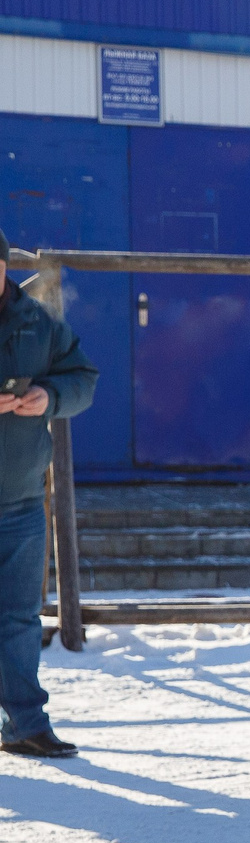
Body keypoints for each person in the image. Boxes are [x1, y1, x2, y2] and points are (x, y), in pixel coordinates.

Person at [0, 228, 98, 760]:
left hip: (19, 501)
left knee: (18, 618)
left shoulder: (37, 323)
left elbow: (83, 376)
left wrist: (49, 396)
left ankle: (22, 725)